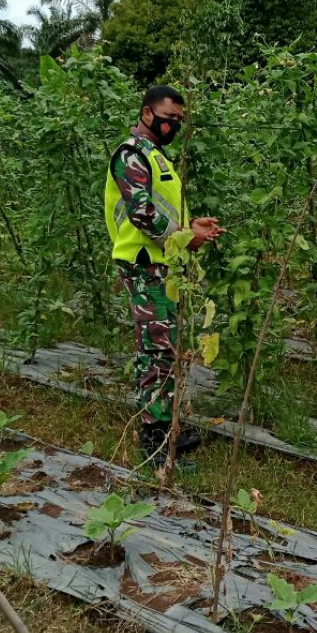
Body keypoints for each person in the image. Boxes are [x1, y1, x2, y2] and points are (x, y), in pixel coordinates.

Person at [104, 85, 224, 472]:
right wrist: (188, 238)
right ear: (147, 113)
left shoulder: (157, 157)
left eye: (179, 121)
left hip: (161, 263)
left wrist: (191, 225)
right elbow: (141, 215)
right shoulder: (131, 155)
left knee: (166, 347)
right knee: (156, 351)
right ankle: (154, 444)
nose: (174, 125)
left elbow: (162, 212)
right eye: (169, 118)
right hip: (143, 264)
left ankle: (166, 427)